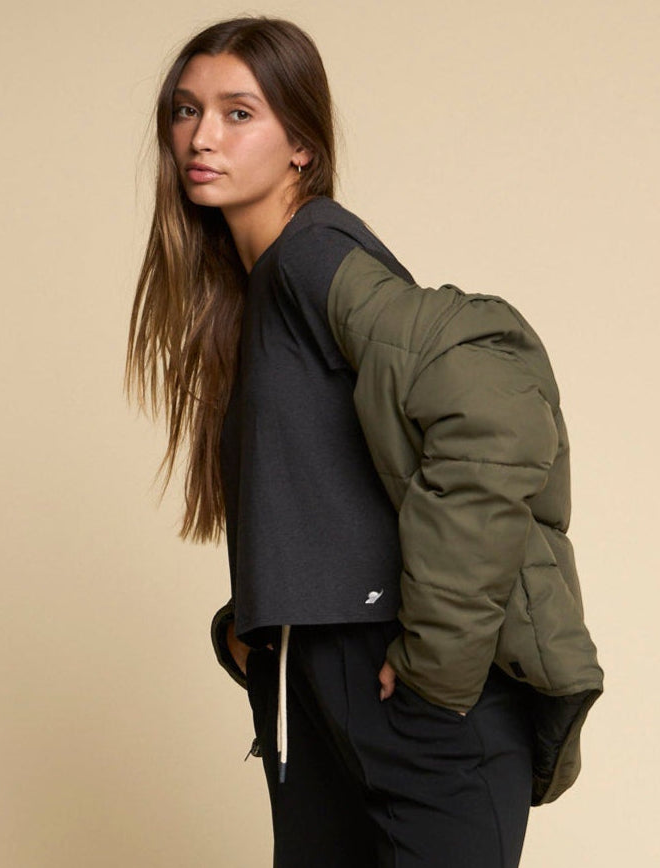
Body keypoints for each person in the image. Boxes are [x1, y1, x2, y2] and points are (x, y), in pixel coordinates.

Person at [126, 16, 604, 868]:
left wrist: (436, 664)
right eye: (186, 109)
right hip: (320, 692)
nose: (201, 137)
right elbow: (322, 486)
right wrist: (269, 622)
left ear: (301, 145)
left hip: (409, 697)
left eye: (239, 113)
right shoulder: (262, 286)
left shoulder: (314, 257)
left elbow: (494, 409)